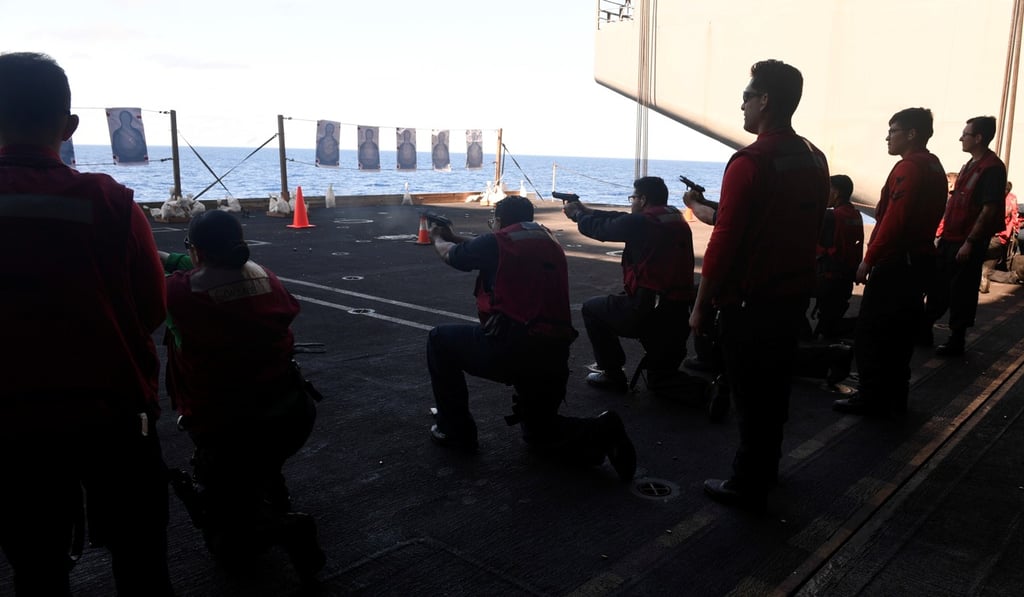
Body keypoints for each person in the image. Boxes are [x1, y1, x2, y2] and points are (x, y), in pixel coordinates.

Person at [0, 52, 173, 595]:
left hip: (11, 429)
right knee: (141, 563)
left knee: (36, 568)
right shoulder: (113, 202)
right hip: (113, 415)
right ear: (69, 127)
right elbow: (152, 306)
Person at [686, 59, 829, 511]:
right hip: (791, 296)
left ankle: (747, 483)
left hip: (751, 301)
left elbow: (724, 242)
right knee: (774, 389)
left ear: (765, 101)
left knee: (749, 394)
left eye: (748, 96)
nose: (742, 104)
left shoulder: (749, 161)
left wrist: (701, 305)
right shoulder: (813, 156)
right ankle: (767, 468)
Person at [162, 210, 325, 580]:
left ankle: (284, 526)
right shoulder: (267, 277)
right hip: (291, 414)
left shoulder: (180, 293)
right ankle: (272, 493)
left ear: (198, 251)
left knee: (229, 549)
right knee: (261, 462)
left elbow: (172, 283)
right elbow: (202, 269)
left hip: (231, 428)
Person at [427, 195, 637, 482]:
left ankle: (455, 429)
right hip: (553, 353)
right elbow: (489, 246)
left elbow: (453, 255)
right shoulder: (543, 237)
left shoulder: (497, 243)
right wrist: (454, 235)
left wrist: (438, 237)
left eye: (494, 222)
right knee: (540, 433)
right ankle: (603, 430)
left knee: (439, 340)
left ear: (500, 222)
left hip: (512, 349)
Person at [833, 108, 948, 417]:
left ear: (911, 134)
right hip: (919, 260)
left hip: (897, 263)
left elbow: (895, 220)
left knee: (872, 332)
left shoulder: (908, 168)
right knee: (900, 334)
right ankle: (895, 396)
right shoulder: (934, 166)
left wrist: (868, 260)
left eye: (893, 130)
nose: (888, 136)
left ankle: (871, 396)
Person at [563, 176, 697, 394]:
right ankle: (709, 391)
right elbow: (621, 218)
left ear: (643, 199)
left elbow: (603, 230)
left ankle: (612, 374)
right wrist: (588, 210)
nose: (631, 202)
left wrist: (578, 215)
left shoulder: (642, 223)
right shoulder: (672, 216)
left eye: (633, 197)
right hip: (677, 314)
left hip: (649, 311)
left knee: (592, 310)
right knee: (661, 379)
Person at [922, 116, 1006, 356]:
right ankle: (925, 326)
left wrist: (970, 242)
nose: (961, 137)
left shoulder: (992, 169)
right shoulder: (969, 165)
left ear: (978, 138)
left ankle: (956, 339)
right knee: (938, 284)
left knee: (962, 291)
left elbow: (989, 209)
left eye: (966, 134)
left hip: (966, 241)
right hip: (951, 237)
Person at [812, 174, 864, 339]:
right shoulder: (856, 215)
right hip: (846, 278)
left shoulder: (831, 216)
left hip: (828, 279)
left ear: (837, 192)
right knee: (830, 321)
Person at [979, 180, 1018, 293]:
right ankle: (1014, 276)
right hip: (1002, 239)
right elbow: (1014, 219)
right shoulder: (1012, 198)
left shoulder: (995, 200)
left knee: (978, 263)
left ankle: (1013, 276)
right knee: (988, 269)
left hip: (993, 237)